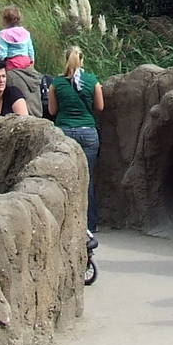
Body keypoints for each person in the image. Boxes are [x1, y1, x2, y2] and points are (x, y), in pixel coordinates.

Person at [47, 45, 104, 232]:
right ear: (82, 60)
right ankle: (90, 224)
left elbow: (52, 111)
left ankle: (67, 224)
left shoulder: (56, 83)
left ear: (65, 61)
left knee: (63, 179)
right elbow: (100, 106)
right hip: (88, 132)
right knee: (87, 178)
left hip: (64, 133)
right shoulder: (92, 80)